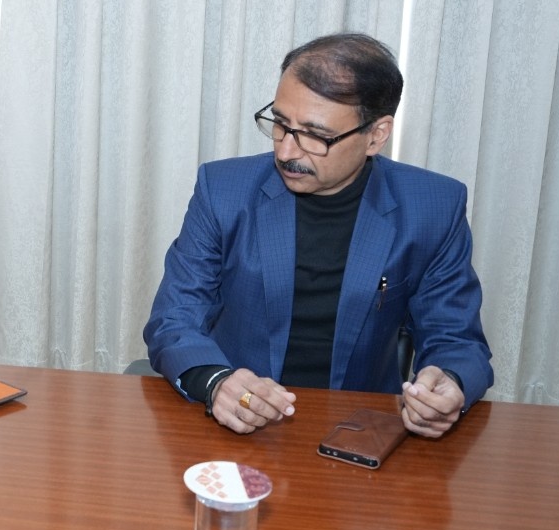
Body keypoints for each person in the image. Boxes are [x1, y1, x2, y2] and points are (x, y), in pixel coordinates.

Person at [143, 32, 491, 438]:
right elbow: (174, 319)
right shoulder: (223, 190)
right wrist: (216, 381)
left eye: (315, 135)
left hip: (359, 428)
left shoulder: (431, 207)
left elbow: (457, 339)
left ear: (376, 135)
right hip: (237, 422)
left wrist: (449, 382)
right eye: (280, 124)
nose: (286, 152)